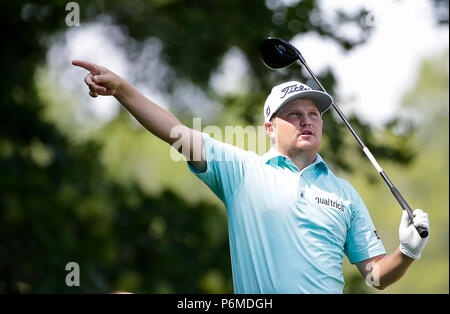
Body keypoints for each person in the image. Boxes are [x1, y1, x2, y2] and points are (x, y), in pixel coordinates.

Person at [72, 60, 430, 293]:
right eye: (294, 114)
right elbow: (176, 132)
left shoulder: (345, 193)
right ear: (270, 128)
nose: (307, 120)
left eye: (313, 113)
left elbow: (374, 276)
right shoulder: (242, 171)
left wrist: (407, 252)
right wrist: (122, 91)